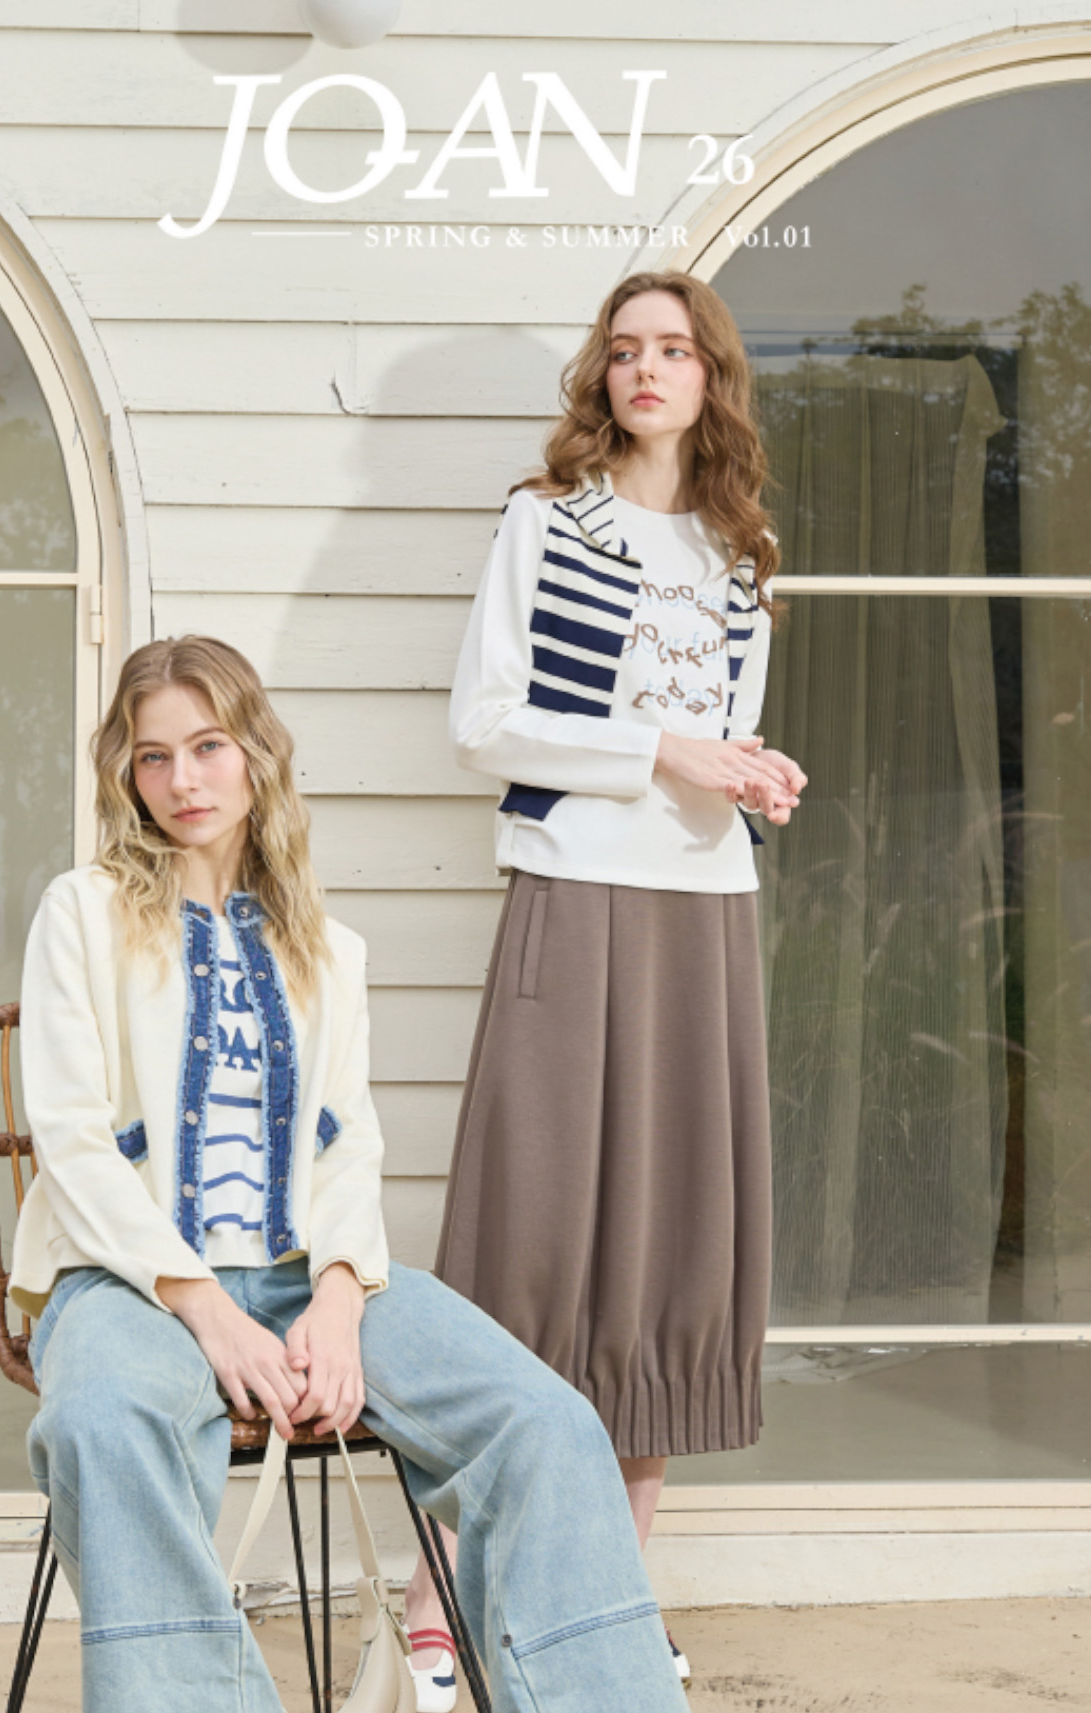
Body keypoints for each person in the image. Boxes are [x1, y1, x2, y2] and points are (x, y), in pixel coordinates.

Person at [8, 634, 688, 1713]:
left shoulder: (328, 946)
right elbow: (72, 1139)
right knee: (104, 1423)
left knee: (546, 1422)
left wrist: (336, 1298)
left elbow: (345, 1145)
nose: (182, 780)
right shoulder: (79, 913)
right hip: (125, 1280)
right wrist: (207, 1312)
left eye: (208, 746)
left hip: (304, 1276)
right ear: (125, 775)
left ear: (256, 753)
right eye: (152, 757)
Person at [403, 271, 807, 1709]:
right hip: (574, 893)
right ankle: (441, 1604)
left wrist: (751, 772)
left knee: (667, 1252)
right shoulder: (546, 521)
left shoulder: (744, 551)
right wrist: (663, 753)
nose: (647, 368)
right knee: (528, 1242)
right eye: (625, 349)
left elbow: (718, 738)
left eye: (674, 349)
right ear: (603, 375)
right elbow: (484, 723)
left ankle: (608, 1613)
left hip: (704, 910)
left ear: (710, 378)